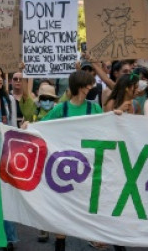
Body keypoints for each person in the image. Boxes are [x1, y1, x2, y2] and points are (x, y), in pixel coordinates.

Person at [37, 69, 103, 251]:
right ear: (82, 87)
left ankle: (96, 238)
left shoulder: (94, 108)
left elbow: (107, 129)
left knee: (88, 206)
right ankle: (60, 244)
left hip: (88, 168)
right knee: (62, 210)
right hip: (65, 169)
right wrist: (28, 126)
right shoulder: (61, 109)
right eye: (90, 83)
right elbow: (41, 128)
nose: (93, 86)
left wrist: (118, 116)